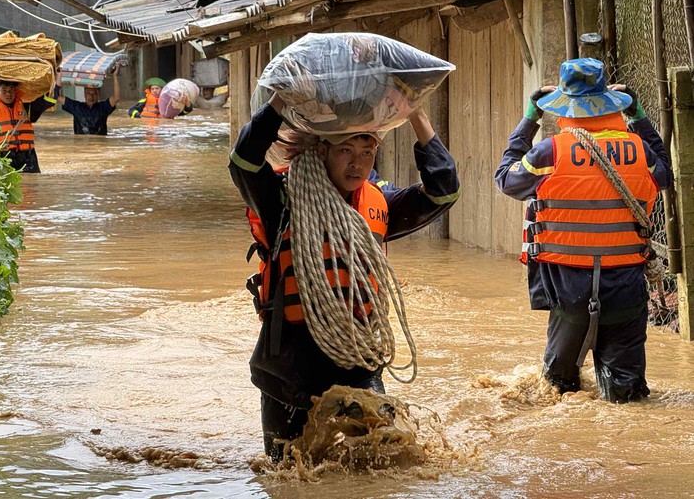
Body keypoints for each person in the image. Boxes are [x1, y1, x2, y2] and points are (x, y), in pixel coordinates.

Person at [229, 92, 460, 460]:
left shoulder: (380, 203)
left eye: (367, 152)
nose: (358, 164)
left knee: (386, 462)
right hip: (289, 366)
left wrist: (417, 116)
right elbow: (243, 161)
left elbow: (443, 193)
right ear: (321, 151)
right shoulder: (283, 200)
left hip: (358, 362)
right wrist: (278, 103)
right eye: (345, 151)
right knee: (285, 473)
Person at [494, 57, 671, 403]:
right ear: (610, 102)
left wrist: (530, 118)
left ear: (564, 106)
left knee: (555, 390)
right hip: (625, 286)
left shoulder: (549, 152)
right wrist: (638, 116)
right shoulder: (640, 152)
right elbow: (665, 172)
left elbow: (506, 179)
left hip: (568, 288)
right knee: (627, 396)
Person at [0, 79, 55, 173]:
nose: (8, 93)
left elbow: (49, 98)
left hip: (28, 158)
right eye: (4, 90)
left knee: (33, 186)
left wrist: (57, 78)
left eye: (12, 90)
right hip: (3, 156)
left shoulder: (26, 108)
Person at [55, 66, 121, 135]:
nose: (91, 96)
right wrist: (59, 75)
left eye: (94, 93)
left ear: (98, 95)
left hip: (99, 145)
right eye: (89, 93)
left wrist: (115, 76)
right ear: (84, 94)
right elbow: (58, 96)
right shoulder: (76, 107)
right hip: (81, 144)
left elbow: (116, 98)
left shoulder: (103, 108)